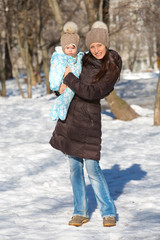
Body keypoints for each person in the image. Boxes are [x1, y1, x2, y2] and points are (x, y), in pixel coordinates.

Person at [49, 21, 122, 227]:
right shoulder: (83, 60)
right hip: (71, 118)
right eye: (92, 46)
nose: (96, 49)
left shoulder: (111, 65)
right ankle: (79, 211)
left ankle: (108, 211)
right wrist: (59, 89)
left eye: (99, 45)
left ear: (106, 44)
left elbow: (93, 92)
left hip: (89, 120)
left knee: (93, 168)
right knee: (74, 169)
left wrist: (69, 77)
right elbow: (63, 78)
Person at [49, 21, 83, 121]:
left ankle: (59, 108)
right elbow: (56, 72)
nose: (70, 50)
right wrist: (58, 87)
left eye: (73, 47)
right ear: (63, 48)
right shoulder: (60, 58)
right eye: (67, 47)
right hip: (64, 87)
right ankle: (58, 109)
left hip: (78, 99)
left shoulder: (80, 58)